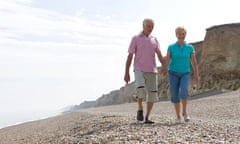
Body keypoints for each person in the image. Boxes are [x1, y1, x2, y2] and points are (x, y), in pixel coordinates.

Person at [124, 18, 165, 124]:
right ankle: (140, 109)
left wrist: (164, 66)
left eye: (152, 27)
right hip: (139, 69)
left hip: (152, 70)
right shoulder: (136, 38)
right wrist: (126, 72)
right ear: (143, 26)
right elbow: (130, 56)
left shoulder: (154, 39)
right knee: (140, 89)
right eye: (148, 26)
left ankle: (147, 117)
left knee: (152, 94)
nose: (150, 29)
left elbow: (159, 55)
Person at [162, 26, 200, 123]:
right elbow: (167, 59)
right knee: (174, 95)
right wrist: (164, 68)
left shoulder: (190, 48)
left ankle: (184, 112)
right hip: (173, 73)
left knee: (184, 92)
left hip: (185, 73)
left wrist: (196, 75)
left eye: (183, 34)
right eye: (179, 34)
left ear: (185, 35)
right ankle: (178, 116)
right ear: (176, 35)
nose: (181, 36)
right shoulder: (171, 47)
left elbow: (194, 62)